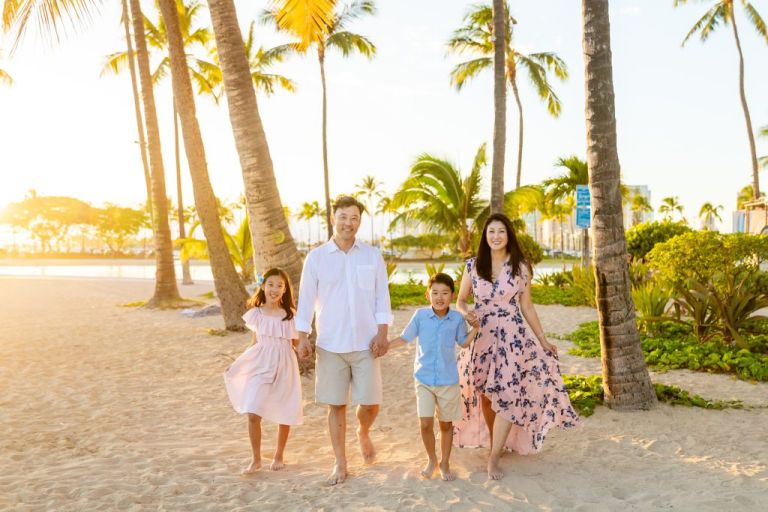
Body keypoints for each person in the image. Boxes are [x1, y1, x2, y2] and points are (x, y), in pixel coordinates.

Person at [455, 213, 579, 480]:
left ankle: (494, 457)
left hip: (512, 337)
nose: (496, 236)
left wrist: (543, 339)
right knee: (487, 395)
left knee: (508, 395)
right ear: (485, 237)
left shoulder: (521, 267)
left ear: (508, 235)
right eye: (491, 232)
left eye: (501, 231)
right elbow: (461, 300)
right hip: (482, 335)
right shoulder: (473, 266)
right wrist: (467, 313)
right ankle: (494, 444)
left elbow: (527, 307)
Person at [295, 195, 392, 486]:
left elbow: (381, 297)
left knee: (371, 403)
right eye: (343, 217)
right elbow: (305, 301)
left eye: (354, 218)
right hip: (330, 343)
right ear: (332, 219)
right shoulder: (316, 258)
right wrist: (302, 338)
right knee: (336, 405)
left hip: (366, 342)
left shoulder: (372, 256)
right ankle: (341, 462)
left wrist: (383, 333)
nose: (348, 223)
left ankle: (362, 431)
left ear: (359, 222)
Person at [387, 273, 478, 481]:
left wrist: (476, 330)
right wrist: (386, 347)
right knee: (426, 423)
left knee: (446, 425)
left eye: (445, 293)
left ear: (452, 296)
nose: (440, 297)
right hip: (424, 380)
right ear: (428, 294)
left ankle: (445, 462)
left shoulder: (456, 318)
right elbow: (404, 338)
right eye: (435, 293)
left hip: (448, 381)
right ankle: (431, 459)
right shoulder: (419, 316)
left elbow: (463, 343)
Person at [224, 268, 302, 475]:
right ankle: (256, 459)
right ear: (263, 286)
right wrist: (237, 364)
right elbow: (254, 343)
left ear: (285, 290)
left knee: (285, 410)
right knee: (252, 411)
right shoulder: (256, 314)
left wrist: (304, 351)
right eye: (271, 285)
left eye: (280, 286)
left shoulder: (291, 316)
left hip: (285, 363)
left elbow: (295, 344)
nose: (275, 289)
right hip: (261, 363)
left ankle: (279, 455)